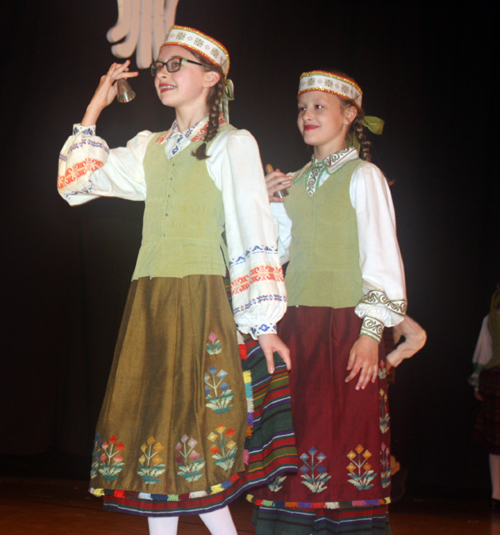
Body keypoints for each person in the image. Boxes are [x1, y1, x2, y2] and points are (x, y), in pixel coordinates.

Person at [58, 25, 293, 535]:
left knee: (195, 444)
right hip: (150, 298)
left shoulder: (233, 145)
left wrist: (263, 322)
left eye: (175, 65)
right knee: (154, 454)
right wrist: (96, 107)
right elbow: (79, 182)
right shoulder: (152, 147)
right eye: (159, 66)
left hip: (199, 296)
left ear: (211, 78)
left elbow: (253, 228)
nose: (163, 75)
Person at [248, 70, 407, 534]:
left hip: (346, 328)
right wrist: (265, 200)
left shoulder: (365, 176)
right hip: (296, 326)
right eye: (302, 108)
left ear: (349, 115)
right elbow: (276, 254)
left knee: (345, 438)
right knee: (295, 436)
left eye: (320, 107)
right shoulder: (297, 180)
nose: (307, 116)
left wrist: (370, 334)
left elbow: (381, 254)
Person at [469, 287, 500, 511]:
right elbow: (484, 351)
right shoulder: (490, 319)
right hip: (495, 380)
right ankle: (497, 494)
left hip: (494, 379)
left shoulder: (491, 319)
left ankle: (497, 494)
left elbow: (483, 352)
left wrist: (478, 383)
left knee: (495, 441)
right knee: (495, 440)